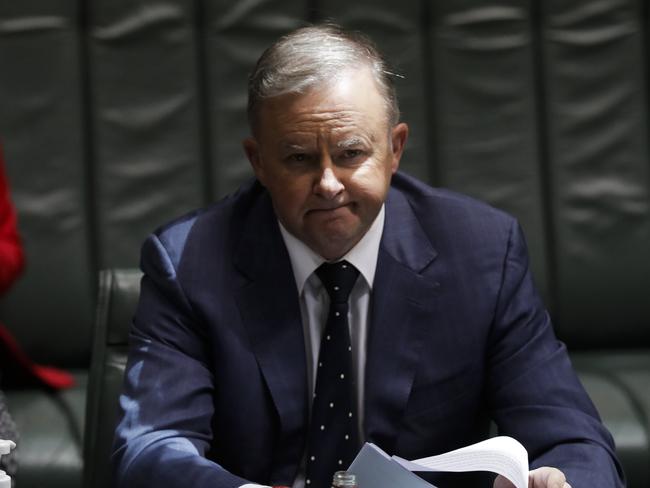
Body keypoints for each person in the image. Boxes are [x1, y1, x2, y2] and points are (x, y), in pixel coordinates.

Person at [113, 24, 624, 488]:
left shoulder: (484, 253)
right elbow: (151, 447)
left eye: (351, 152)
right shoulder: (188, 262)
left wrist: (564, 483)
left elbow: (574, 442)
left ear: (395, 149)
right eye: (298, 158)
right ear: (259, 162)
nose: (329, 184)